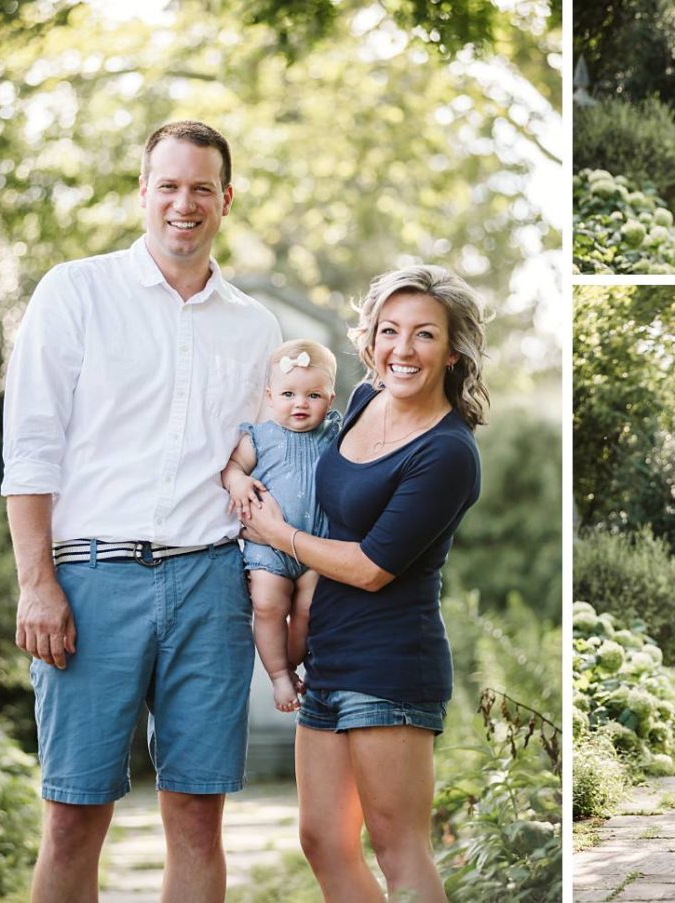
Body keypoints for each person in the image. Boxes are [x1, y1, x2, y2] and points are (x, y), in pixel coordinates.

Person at [1, 120, 281, 902]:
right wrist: (37, 581)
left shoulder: (256, 327)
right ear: (143, 192)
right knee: (72, 814)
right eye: (169, 185)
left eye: (201, 188)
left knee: (197, 814)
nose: (183, 203)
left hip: (210, 586)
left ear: (225, 200)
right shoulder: (74, 291)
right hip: (89, 581)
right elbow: (30, 446)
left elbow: (265, 459)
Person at [240, 265, 487, 901]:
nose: (402, 350)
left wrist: (277, 536)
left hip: (391, 667)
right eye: (389, 331)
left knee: (398, 847)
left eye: (424, 335)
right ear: (371, 339)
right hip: (328, 659)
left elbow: (372, 566)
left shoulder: (447, 452)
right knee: (322, 840)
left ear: (452, 351)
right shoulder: (361, 403)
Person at [222, 339, 341, 712]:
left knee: (307, 611)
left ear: (331, 399)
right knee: (268, 605)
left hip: (314, 548)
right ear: (270, 396)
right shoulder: (260, 437)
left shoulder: (334, 436)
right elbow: (232, 467)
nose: (300, 404)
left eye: (313, 395)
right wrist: (238, 481)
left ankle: (293, 666)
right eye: (289, 393)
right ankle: (277, 675)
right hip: (267, 549)